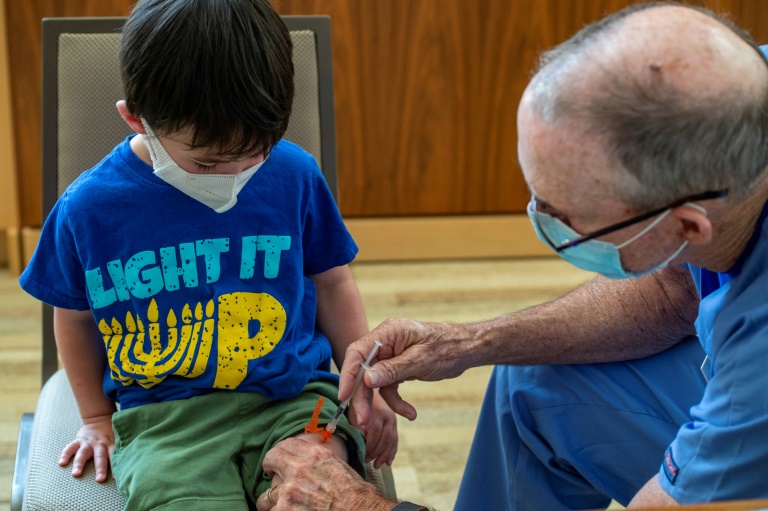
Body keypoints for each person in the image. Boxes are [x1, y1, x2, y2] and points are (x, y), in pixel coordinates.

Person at [258, 2, 768, 510]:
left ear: (686, 225)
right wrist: (467, 342)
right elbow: (677, 285)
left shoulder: (757, 359)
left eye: (565, 216)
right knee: (532, 379)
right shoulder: (742, 90)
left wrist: (356, 504)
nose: (539, 217)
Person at [19, 0, 398, 509]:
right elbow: (73, 315)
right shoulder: (87, 208)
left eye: (257, 151)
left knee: (320, 489)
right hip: (166, 422)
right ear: (137, 119)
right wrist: (95, 418)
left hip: (295, 400)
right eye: (208, 161)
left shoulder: (294, 174)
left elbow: (332, 282)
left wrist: (361, 382)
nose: (237, 173)